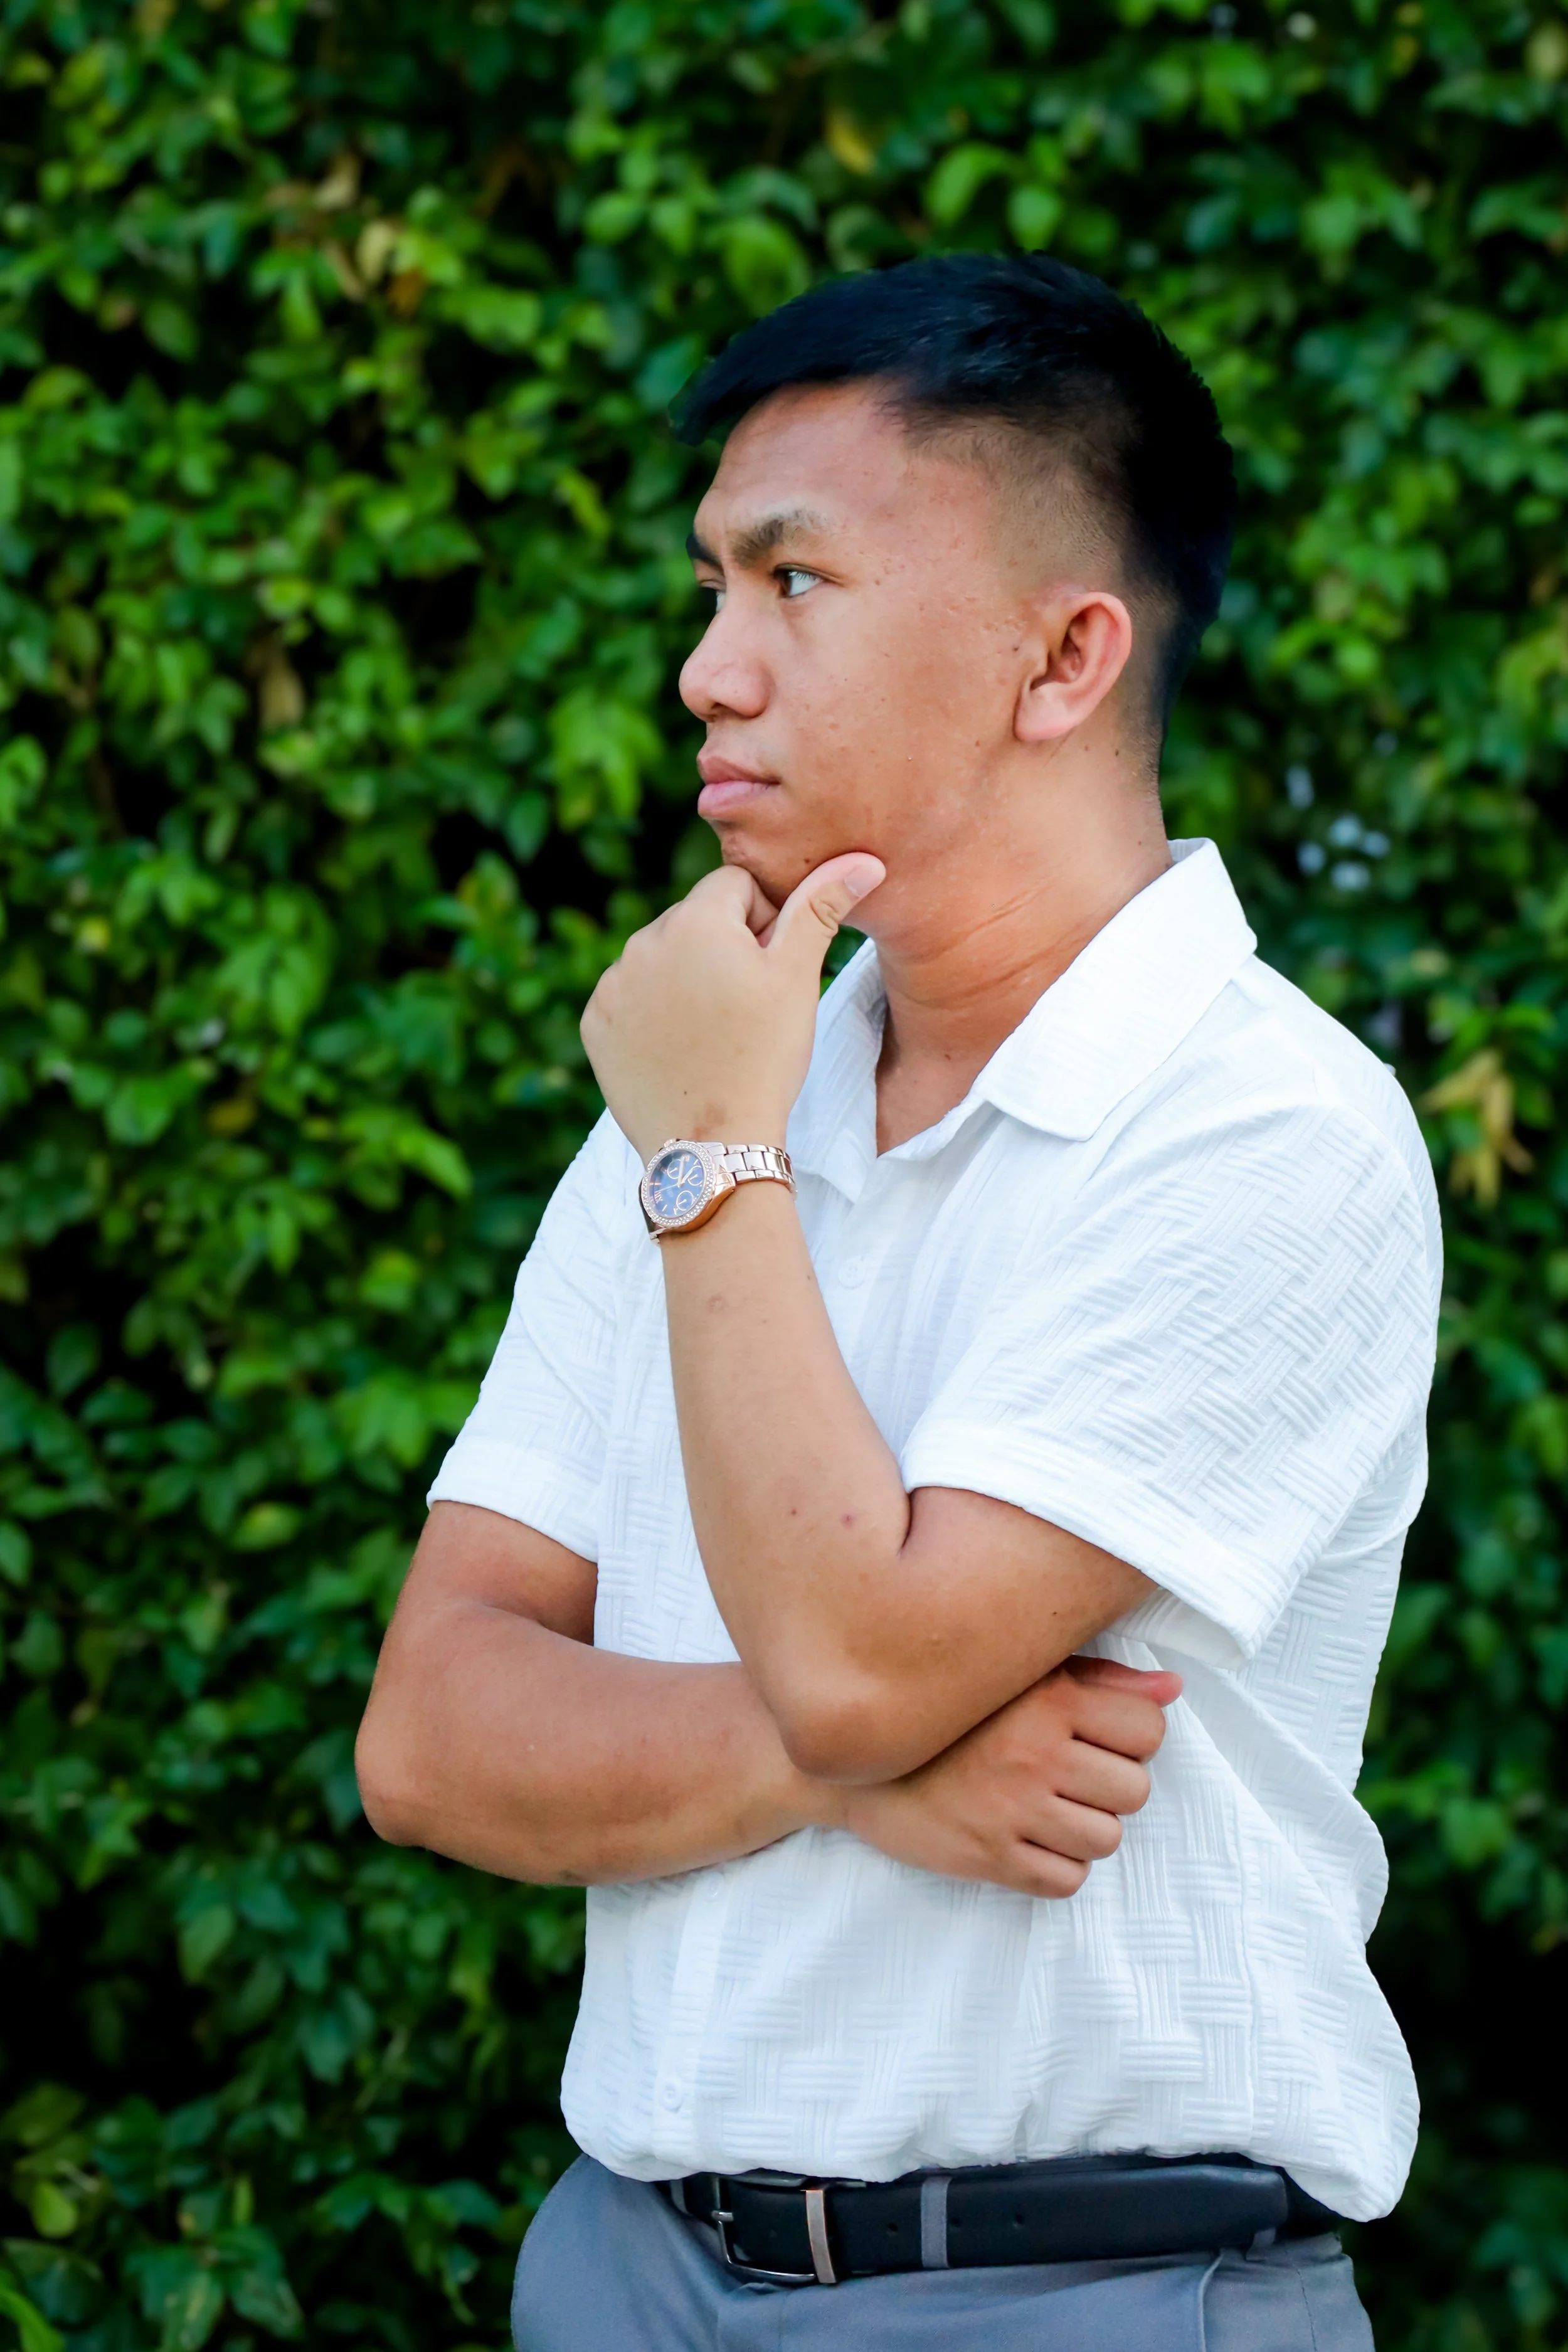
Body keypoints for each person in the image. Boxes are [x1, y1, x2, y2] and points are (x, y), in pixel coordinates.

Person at [354, 253, 1440, 2350]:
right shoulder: (715, 1094)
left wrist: (703, 1159)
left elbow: (862, 1657)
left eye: (791, 584)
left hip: (1084, 2291)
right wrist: (839, 1771)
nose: (705, 670)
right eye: (708, 586)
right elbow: (430, 1733)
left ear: (1060, 658)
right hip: (626, 2270)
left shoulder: (1262, 1124)